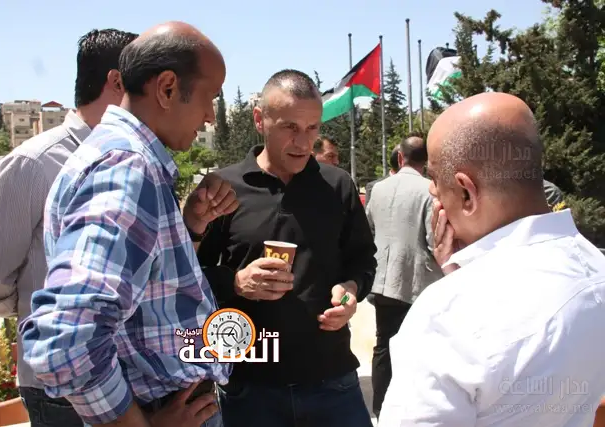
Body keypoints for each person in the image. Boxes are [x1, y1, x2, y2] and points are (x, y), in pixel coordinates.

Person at [19, 22, 238, 427]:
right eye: (210, 97)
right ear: (167, 88)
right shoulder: (127, 167)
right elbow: (66, 340)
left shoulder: (113, 155)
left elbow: (147, 294)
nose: (210, 116)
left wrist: (190, 226)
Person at [379, 92, 605, 426]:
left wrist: (458, 288)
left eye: (435, 180)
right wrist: (461, 276)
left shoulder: (445, 317)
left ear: (466, 192)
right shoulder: (594, 266)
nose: (432, 191)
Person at [0, 28, 137, 427]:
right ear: (117, 82)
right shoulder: (34, 163)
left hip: (129, 375)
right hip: (62, 391)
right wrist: (48, 310)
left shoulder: (133, 157)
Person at [197, 69, 376, 427]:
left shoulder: (338, 186)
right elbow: (187, 275)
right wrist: (236, 282)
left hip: (332, 380)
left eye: (312, 128)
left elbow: (362, 260)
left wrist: (351, 291)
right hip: (250, 387)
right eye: (290, 127)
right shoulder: (221, 188)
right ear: (259, 120)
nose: (303, 142)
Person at [365, 135, 443, 420]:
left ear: (400, 158)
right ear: (427, 161)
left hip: (382, 280)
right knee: (415, 348)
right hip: (416, 283)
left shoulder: (379, 189)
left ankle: (379, 408)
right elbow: (434, 241)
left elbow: (369, 229)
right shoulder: (429, 191)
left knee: (383, 344)